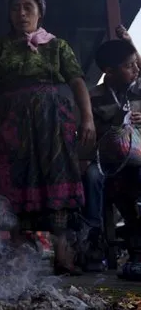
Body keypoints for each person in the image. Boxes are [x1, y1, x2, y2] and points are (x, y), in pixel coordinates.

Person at [0, 0, 96, 275]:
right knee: (13, 182)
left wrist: (86, 118)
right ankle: (17, 256)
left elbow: (76, 82)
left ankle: (63, 255)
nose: (22, 13)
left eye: (28, 7)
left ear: (40, 12)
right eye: (15, 8)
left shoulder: (58, 47)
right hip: (10, 125)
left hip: (53, 123)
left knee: (57, 179)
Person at [90, 26, 141, 277]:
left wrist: (130, 42)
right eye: (129, 65)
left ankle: (137, 252)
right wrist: (119, 124)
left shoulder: (137, 88)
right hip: (108, 162)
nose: (136, 69)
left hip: (137, 160)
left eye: (136, 63)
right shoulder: (96, 96)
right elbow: (94, 137)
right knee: (91, 178)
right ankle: (94, 243)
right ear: (109, 71)